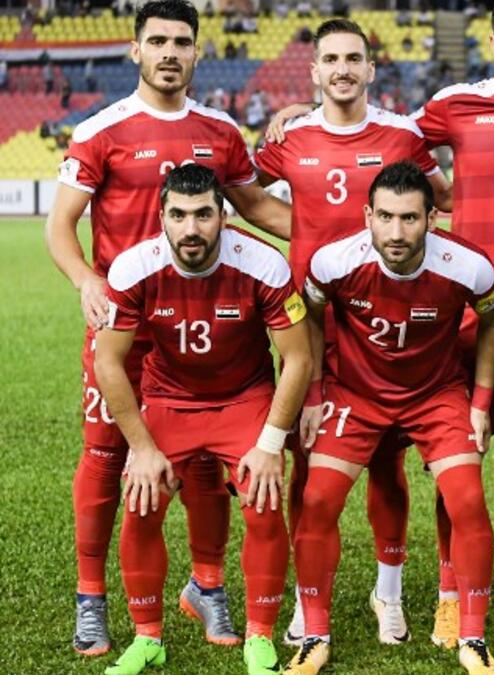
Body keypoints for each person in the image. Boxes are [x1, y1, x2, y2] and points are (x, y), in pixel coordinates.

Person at [264, 0, 494, 649]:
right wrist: (299, 143)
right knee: (458, 459)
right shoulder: (450, 106)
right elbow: (374, 146)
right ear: (493, 37)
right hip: (469, 316)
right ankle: (449, 593)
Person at [44, 0, 291, 656]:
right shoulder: (102, 129)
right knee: (107, 456)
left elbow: (257, 204)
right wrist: (86, 281)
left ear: (198, 52)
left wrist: (335, 239)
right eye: (157, 41)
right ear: (136, 50)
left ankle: (206, 584)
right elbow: (59, 223)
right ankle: (90, 597)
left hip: (202, 318)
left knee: (208, 465)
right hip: (127, 326)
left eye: (182, 41)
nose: (170, 52)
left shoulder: (218, 130)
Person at [255, 19, 451, 648]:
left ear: (372, 68)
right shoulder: (291, 137)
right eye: (330, 59)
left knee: (388, 463)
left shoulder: (401, 135)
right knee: (305, 461)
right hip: (308, 320)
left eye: (353, 59)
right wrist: (302, 231)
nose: (342, 69)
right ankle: (305, 603)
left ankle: (387, 593)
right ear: (313, 71)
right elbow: (242, 191)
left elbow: (440, 198)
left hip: (381, 323)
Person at [286, 162, 494, 675]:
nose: (396, 232)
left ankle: (472, 638)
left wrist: (481, 403)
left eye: (409, 218)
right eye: (385, 217)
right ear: (368, 215)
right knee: (317, 498)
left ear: (431, 216)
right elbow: (312, 316)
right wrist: (315, 392)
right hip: (355, 394)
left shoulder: (466, 265)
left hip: (435, 396)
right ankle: (314, 633)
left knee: (468, 498)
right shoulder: (333, 261)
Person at [94, 164, 311, 675]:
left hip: (245, 398)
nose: (191, 228)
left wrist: (270, 442)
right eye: (179, 215)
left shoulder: (263, 264)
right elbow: (108, 360)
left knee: (262, 500)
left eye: (203, 215)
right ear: (162, 218)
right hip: (170, 399)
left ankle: (259, 635)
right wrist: (142, 449)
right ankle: (148, 638)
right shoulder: (132, 268)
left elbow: (298, 358)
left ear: (223, 216)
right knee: (141, 502)